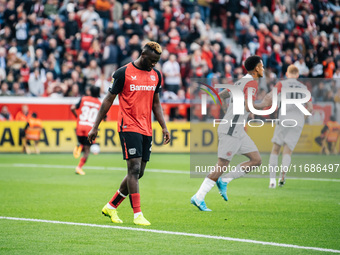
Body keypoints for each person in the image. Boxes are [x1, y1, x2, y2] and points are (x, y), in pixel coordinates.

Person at [88, 41, 171, 226]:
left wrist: (164, 127)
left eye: (156, 62)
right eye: (152, 61)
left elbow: (155, 104)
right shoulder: (123, 73)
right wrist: (95, 126)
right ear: (143, 55)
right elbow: (108, 100)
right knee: (133, 169)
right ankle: (138, 214)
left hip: (146, 128)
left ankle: (111, 206)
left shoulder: (156, 75)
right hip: (128, 126)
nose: (154, 65)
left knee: (139, 172)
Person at [191, 55, 271, 211]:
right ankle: (198, 197)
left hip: (238, 129)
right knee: (222, 164)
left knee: (256, 160)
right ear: (256, 68)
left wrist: (226, 110)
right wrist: (265, 104)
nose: (263, 69)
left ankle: (225, 180)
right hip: (231, 130)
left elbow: (221, 95)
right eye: (261, 66)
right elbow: (249, 107)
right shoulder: (252, 83)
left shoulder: (241, 81)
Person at [268, 65, 313, 188]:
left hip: (284, 118)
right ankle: (283, 176)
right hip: (297, 121)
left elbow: (272, 99)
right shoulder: (304, 88)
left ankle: (272, 181)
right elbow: (310, 108)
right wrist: (301, 119)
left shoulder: (282, 84)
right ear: (298, 75)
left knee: (276, 148)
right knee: (288, 150)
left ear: (287, 74)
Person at [71, 86, 101, 175]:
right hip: (90, 129)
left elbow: (72, 108)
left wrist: (77, 117)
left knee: (83, 144)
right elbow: (104, 117)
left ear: (90, 92)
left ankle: (79, 145)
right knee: (87, 151)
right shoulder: (99, 104)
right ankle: (79, 167)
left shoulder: (83, 99)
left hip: (80, 126)